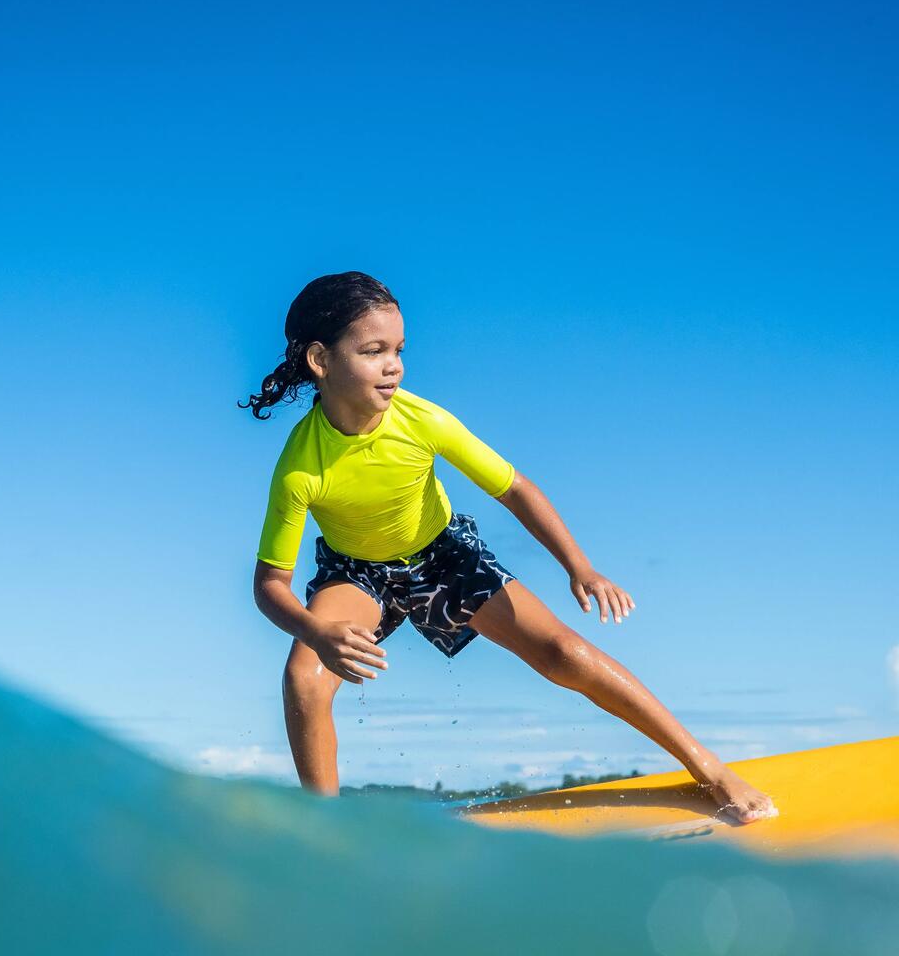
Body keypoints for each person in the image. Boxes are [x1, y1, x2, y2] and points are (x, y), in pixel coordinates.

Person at [242, 271, 778, 824]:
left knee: (565, 654)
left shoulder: (424, 421)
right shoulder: (300, 466)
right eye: (373, 350)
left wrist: (580, 566)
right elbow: (269, 585)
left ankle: (710, 768)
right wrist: (315, 629)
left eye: (399, 349)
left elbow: (514, 488)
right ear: (320, 361)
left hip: (444, 555)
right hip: (356, 573)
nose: (394, 365)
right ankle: (326, 830)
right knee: (303, 678)